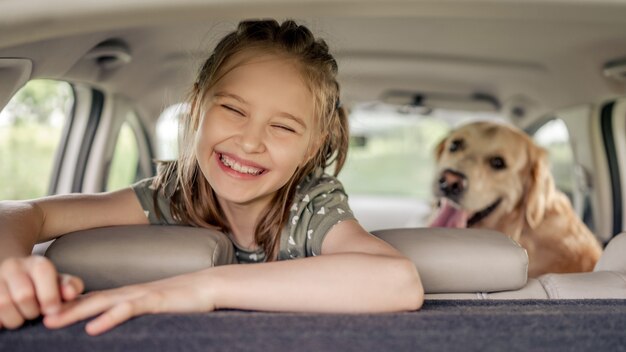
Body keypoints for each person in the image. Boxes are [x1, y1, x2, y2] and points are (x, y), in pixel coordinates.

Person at [0, 19, 423, 336]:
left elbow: (398, 281)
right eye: (234, 110)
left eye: (284, 127)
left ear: (311, 148)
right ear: (198, 106)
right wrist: (11, 267)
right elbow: (25, 212)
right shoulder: (174, 194)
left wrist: (203, 289)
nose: (251, 141)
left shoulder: (310, 205)